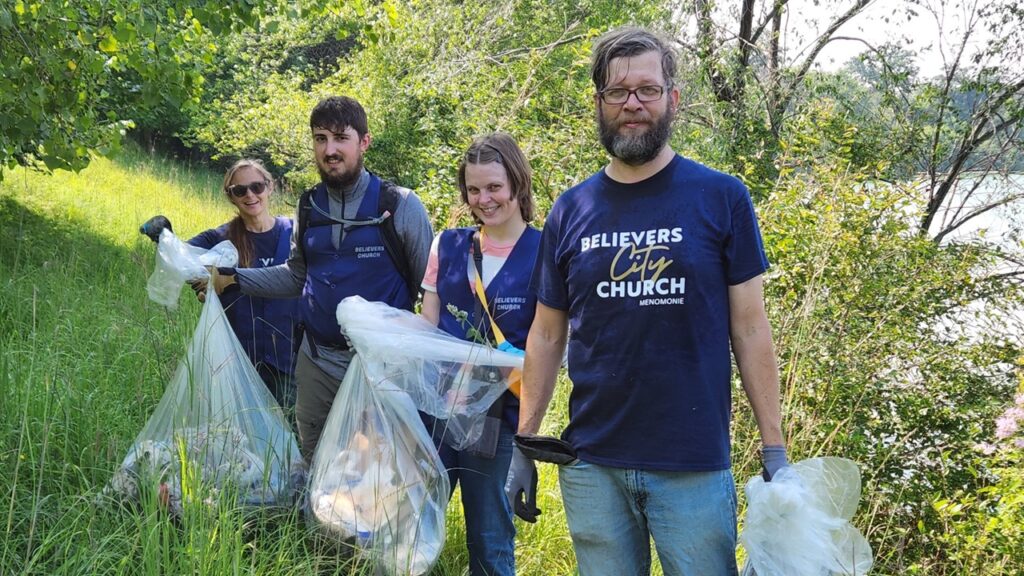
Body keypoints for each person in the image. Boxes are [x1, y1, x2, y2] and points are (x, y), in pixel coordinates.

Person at [511, 26, 789, 575]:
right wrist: (524, 442)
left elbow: (751, 329)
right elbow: (546, 334)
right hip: (591, 464)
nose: (632, 103)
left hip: (692, 465)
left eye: (647, 89)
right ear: (600, 102)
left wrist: (774, 449)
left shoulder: (722, 197)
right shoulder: (571, 209)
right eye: (617, 92)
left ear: (673, 99)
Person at [204, 96, 434, 461]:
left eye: (341, 138)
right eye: (320, 138)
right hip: (315, 363)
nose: (330, 149)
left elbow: (428, 290)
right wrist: (233, 279)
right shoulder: (308, 205)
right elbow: (297, 276)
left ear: (364, 142)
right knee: (314, 462)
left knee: (372, 471)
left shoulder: (400, 206)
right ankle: (312, 521)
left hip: (377, 370)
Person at [419, 133, 540, 576]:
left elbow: (555, 351)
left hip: (499, 421)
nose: (484, 200)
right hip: (435, 412)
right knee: (409, 523)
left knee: (489, 542)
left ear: (517, 184)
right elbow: (427, 329)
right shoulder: (447, 246)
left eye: (494, 187)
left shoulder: (545, 253)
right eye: (473, 190)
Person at [140, 159, 300, 410]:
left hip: (289, 361)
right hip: (237, 359)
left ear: (270, 187)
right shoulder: (219, 239)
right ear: (231, 197)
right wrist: (163, 235)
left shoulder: (294, 233)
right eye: (240, 190)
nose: (250, 195)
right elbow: (181, 259)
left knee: (292, 436)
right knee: (241, 439)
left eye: (257, 187)